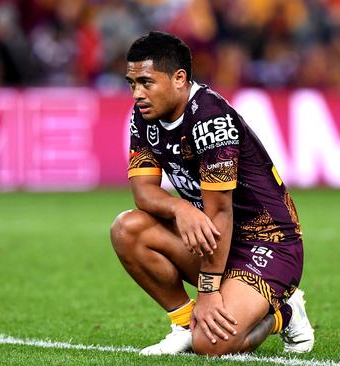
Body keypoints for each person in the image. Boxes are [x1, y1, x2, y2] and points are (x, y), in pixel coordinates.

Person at [110, 31, 314, 356]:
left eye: (146, 82)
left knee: (212, 345)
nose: (137, 93)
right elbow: (144, 193)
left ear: (179, 78)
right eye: (132, 83)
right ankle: (183, 323)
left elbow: (220, 212)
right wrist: (181, 209)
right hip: (213, 237)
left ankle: (284, 313)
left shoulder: (211, 119)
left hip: (267, 245)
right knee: (127, 229)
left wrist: (208, 292)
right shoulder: (144, 118)